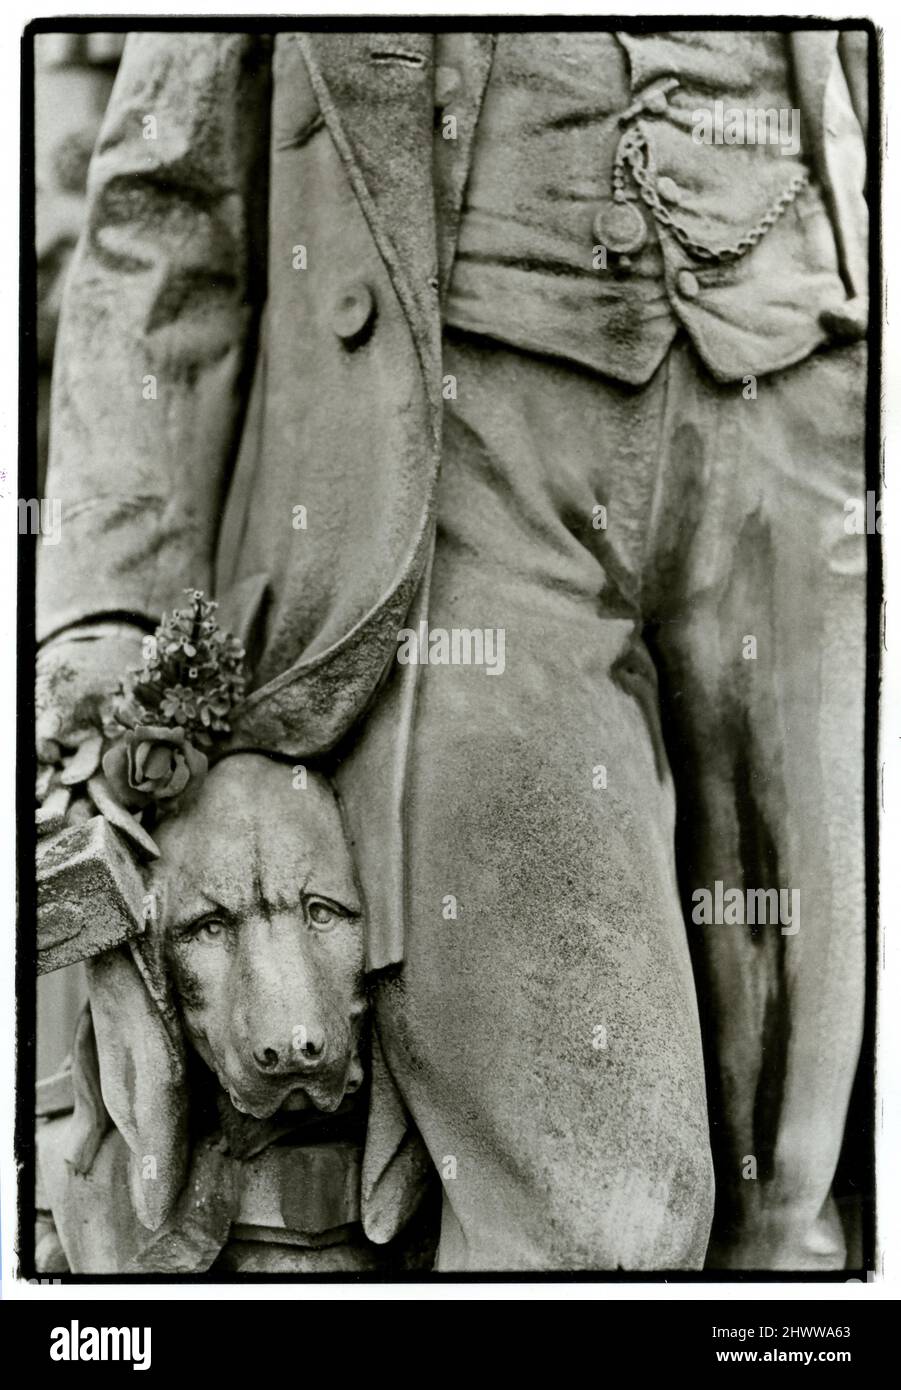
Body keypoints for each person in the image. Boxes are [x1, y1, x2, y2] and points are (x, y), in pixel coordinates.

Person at [37, 27, 870, 1271]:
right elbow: (168, 208)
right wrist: (111, 633)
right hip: (451, 478)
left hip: (806, 409)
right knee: (602, 1219)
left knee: (799, 1219)